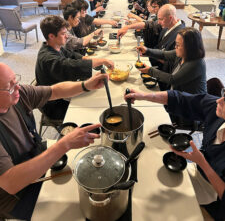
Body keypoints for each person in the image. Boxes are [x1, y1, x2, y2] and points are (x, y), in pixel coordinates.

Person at [0, 62, 107, 220]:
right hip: (16, 196)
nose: (17, 88)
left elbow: (54, 91)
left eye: (16, 81)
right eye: (9, 87)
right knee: (76, 209)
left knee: (86, 176)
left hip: (34, 157)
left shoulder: (18, 95)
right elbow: (11, 182)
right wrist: (64, 144)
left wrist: (85, 85)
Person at [124, 89, 225, 221]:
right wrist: (144, 95)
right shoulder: (216, 109)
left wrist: (202, 163)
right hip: (198, 170)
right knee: (150, 176)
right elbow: (181, 99)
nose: (219, 100)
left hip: (213, 195)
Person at [35, 15, 114, 120]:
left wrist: (98, 59)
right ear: (51, 36)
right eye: (63, 34)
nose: (67, 36)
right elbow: (72, 65)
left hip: (62, 92)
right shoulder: (48, 58)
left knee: (96, 94)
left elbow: (74, 56)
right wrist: (102, 61)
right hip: (55, 105)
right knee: (95, 107)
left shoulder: (55, 46)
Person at [137, 27, 207, 94]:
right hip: (179, 95)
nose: (175, 47)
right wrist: (147, 50)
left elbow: (173, 80)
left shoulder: (196, 63)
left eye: (178, 45)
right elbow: (164, 54)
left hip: (191, 103)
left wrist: (150, 70)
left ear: (189, 47)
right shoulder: (183, 53)